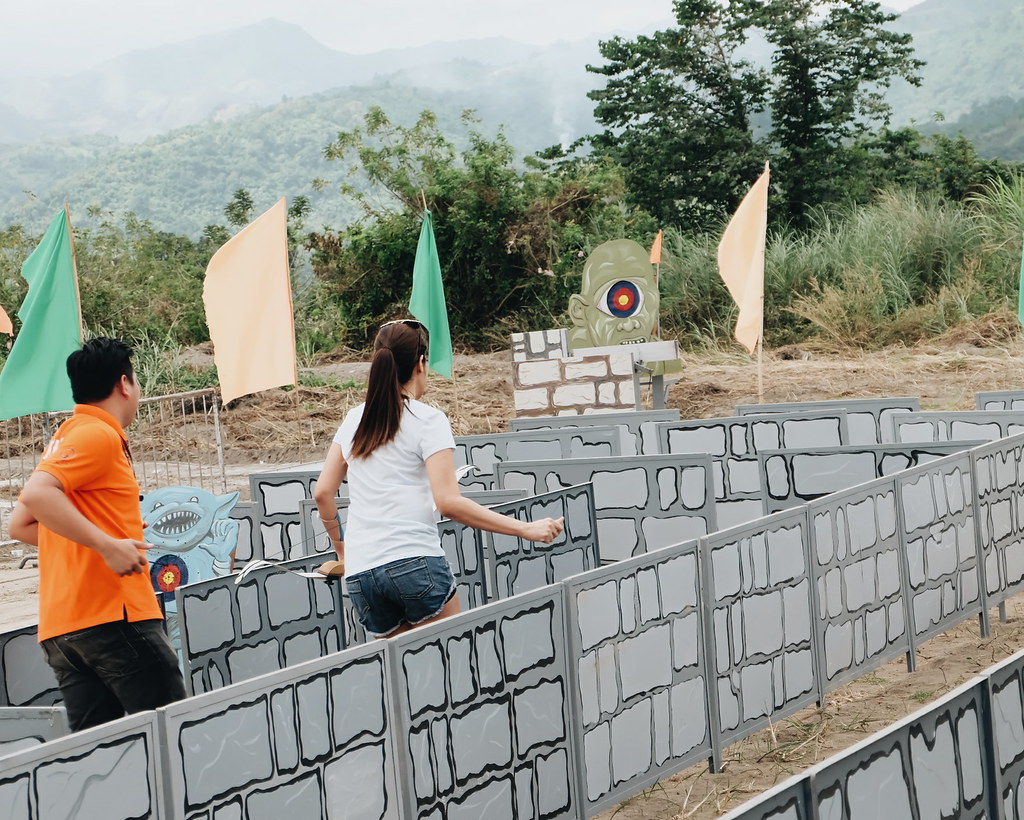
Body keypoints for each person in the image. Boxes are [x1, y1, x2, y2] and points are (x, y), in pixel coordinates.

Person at [314, 319, 564, 637]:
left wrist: (342, 551)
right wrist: (525, 528)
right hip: (414, 562)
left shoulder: (354, 420)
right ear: (420, 363)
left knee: (402, 677)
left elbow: (323, 492)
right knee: (450, 668)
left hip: (363, 574)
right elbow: (448, 503)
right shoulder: (428, 420)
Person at [9, 337, 185, 730]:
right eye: (137, 381)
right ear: (125, 384)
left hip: (64, 631)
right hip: (113, 617)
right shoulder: (96, 435)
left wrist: (99, 540)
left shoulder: (66, 436)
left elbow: (21, 524)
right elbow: (38, 495)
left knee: (100, 762)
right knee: (173, 740)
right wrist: (106, 545)